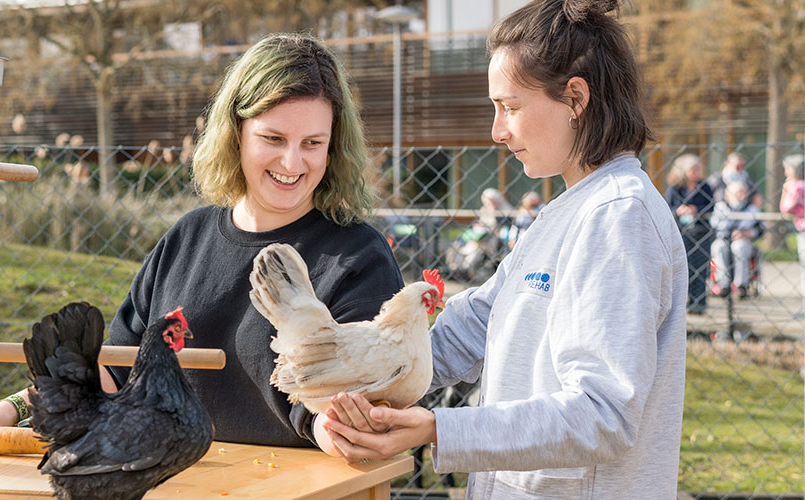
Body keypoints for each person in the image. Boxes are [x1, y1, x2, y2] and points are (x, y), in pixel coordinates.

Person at [320, 1, 688, 499]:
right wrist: (362, 378)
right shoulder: (567, 211)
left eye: (510, 107)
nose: (497, 131)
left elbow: (603, 415)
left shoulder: (618, 218)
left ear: (576, 99)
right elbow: (474, 326)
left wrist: (438, 429)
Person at [0, 33, 405, 452]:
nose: (292, 162)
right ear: (235, 133)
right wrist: (16, 409)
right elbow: (115, 368)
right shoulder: (187, 239)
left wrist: (342, 427)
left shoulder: (359, 259)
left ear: (333, 149)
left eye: (312, 143)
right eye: (273, 139)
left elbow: (355, 410)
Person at [665, 153, 715, 314]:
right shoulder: (675, 189)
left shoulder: (705, 186)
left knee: (700, 268)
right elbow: (668, 208)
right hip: (681, 232)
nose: (697, 171)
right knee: (681, 269)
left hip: (701, 231)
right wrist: (678, 211)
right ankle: (680, 305)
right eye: (694, 169)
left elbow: (711, 207)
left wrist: (696, 210)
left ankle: (698, 304)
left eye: (698, 168)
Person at [709, 181, 763, 299]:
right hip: (723, 239)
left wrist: (747, 233)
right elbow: (713, 227)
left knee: (739, 247)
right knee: (719, 247)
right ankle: (723, 284)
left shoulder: (752, 209)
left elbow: (760, 229)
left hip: (743, 240)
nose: (741, 195)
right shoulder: (720, 207)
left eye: (743, 192)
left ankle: (741, 284)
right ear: (728, 194)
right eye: (737, 193)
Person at [779, 154, 805, 319]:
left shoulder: (794, 185)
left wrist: (785, 189)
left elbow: (786, 208)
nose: (785, 172)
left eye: (787, 169)